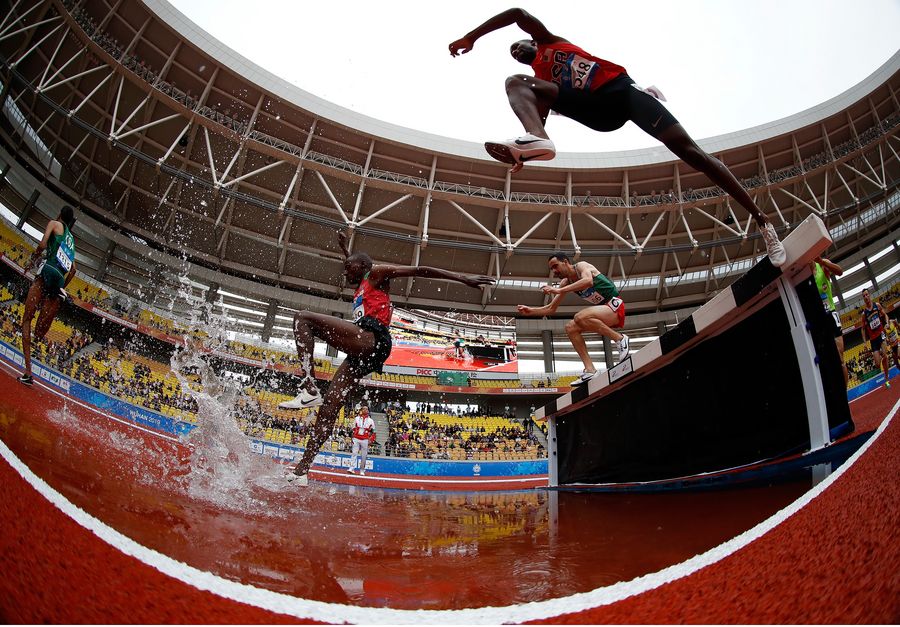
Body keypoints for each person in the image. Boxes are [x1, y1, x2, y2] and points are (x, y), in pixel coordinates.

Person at [448, 8, 786, 267]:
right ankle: (535, 139)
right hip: (597, 113)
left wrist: (471, 37)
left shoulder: (549, 41)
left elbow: (517, 13)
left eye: (517, 46)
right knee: (515, 82)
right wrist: (528, 149)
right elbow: (538, 109)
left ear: (532, 42)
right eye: (512, 52)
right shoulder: (540, 78)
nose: (515, 52)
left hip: (622, 93)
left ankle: (763, 221)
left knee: (692, 153)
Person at [280, 230, 495, 485]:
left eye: (349, 268)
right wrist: (345, 249)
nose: (344, 272)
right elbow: (354, 262)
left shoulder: (377, 273)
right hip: (362, 352)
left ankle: (309, 387)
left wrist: (462, 278)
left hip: (373, 339)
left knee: (302, 319)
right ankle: (302, 471)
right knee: (329, 408)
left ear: (363, 266)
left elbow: (420, 270)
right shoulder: (361, 281)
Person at [517, 252, 628, 386]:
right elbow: (551, 308)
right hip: (602, 311)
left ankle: (620, 339)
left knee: (579, 317)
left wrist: (558, 290)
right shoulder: (565, 282)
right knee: (570, 327)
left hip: (614, 306)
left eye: (555, 266)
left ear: (565, 262)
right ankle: (590, 370)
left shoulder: (581, 266)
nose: (554, 271)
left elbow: (588, 281)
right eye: (551, 269)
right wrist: (531, 311)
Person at [18, 206, 77, 386]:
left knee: (27, 319)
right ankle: (58, 295)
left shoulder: (54, 224)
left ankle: (28, 372)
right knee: (39, 333)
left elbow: (43, 245)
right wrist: (62, 287)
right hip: (59, 279)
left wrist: (32, 260)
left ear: (59, 214)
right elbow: (73, 270)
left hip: (47, 271)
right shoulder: (71, 241)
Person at [812, 256, 848, 387]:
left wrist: (822, 262)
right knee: (825, 359)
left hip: (830, 314)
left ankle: (845, 392)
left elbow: (840, 271)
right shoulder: (803, 273)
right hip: (818, 319)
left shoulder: (821, 264)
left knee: (840, 356)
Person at [860, 288, 890, 389]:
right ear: (863, 298)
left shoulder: (877, 305)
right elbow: (863, 329)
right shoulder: (864, 314)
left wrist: (887, 323)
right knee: (877, 364)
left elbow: (885, 315)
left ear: (869, 295)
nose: (866, 297)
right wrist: (864, 342)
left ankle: (886, 378)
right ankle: (881, 354)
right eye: (864, 296)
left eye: (866, 294)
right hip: (873, 340)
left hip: (881, 334)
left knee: (885, 356)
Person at [348, 405, 376, 475]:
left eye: (366, 409)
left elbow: (373, 431)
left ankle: (362, 470)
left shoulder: (371, 421)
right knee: (354, 453)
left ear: (368, 411)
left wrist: (371, 439)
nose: (365, 410)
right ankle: (351, 468)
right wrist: (352, 437)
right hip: (356, 438)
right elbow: (353, 428)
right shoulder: (356, 418)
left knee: (364, 456)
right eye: (363, 409)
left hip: (365, 440)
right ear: (361, 410)